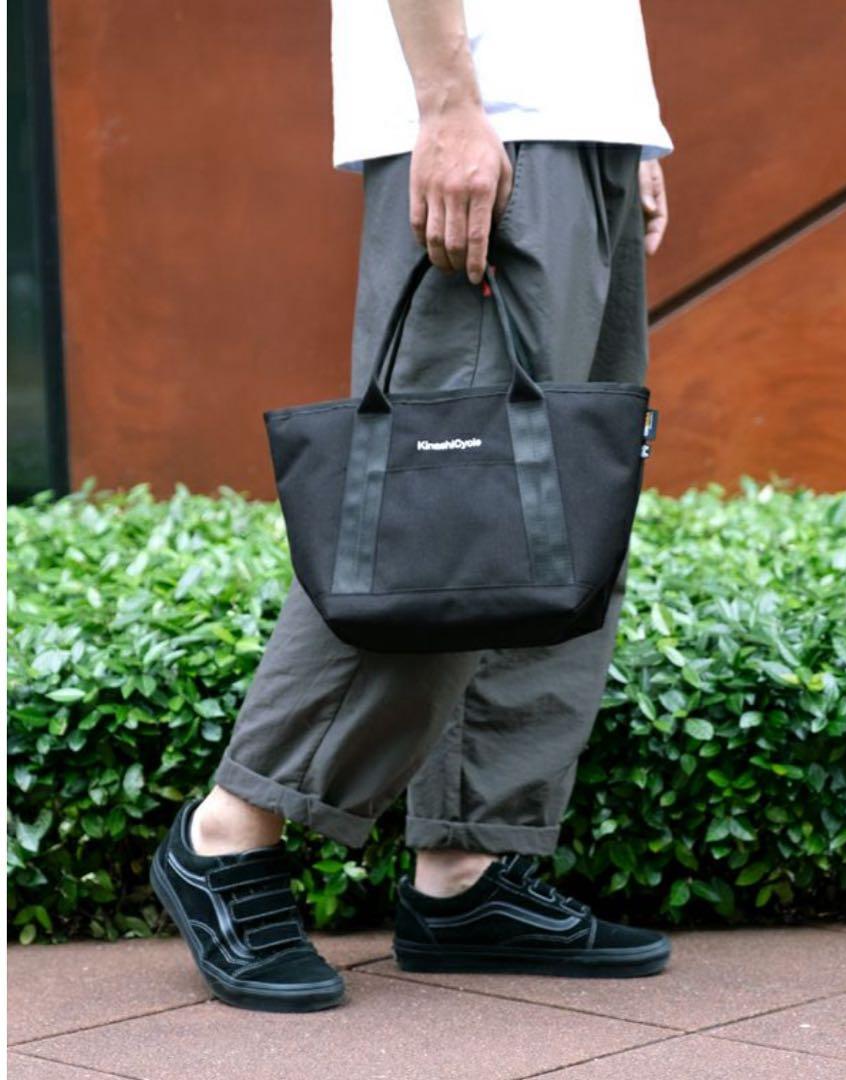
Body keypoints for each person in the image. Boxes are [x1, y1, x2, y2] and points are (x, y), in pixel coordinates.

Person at [149, 0, 672, 1012]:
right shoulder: (466, 112)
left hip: (579, 124)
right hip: (489, 118)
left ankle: (466, 872)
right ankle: (228, 835)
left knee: (561, 518)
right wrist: (447, 104)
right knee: (441, 524)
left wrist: (627, 127)